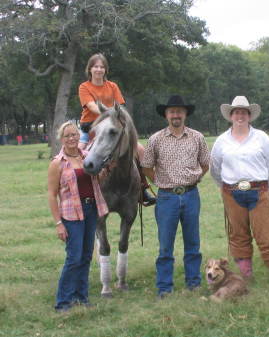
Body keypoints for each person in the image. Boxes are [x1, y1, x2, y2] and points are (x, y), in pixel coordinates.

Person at [210, 96, 269, 280]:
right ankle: (246, 276)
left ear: (249, 116)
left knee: (266, 234)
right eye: (236, 112)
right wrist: (226, 187)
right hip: (231, 193)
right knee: (238, 235)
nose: (240, 116)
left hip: (259, 191)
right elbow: (215, 169)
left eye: (243, 112)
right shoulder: (221, 141)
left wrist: (265, 186)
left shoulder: (261, 138)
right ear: (231, 116)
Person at [141, 95, 210, 298]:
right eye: (172, 111)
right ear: (166, 115)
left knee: (193, 243)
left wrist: (195, 178)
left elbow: (205, 163)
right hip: (167, 198)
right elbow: (146, 167)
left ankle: (193, 283)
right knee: (165, 245)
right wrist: (162, 182)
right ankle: (164, 287)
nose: (176, 115)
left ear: (185, 114)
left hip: (190, 195)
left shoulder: (197, 137)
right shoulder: (156, 139)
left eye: (179, 111)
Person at [47, 121, 109, 312]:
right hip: (71, 214)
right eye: (67, 136)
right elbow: (51, 194)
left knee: (86, 256)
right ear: (62, 139)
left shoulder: (87, 157)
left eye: (74, 134)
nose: (72, 138)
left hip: (91, 211)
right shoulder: (57, 163)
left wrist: (104, 171)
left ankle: (81, 297)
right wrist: (58, 223)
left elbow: (98, 180)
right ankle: (63, 302)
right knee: (73, 258)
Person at [78, 53, 154, 205]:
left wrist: (115, 116)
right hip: (91, 128)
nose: (99, 70)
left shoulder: (112, 86)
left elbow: (120, 106)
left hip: (112, 127)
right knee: (77, 153)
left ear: (105, 70)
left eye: (102, 67)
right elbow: (92, 106)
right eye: (95, 67)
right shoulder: (84, 87)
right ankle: (81, 192)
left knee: (139, 150)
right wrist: (109, 112)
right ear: (90, 69)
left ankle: (142, 188)